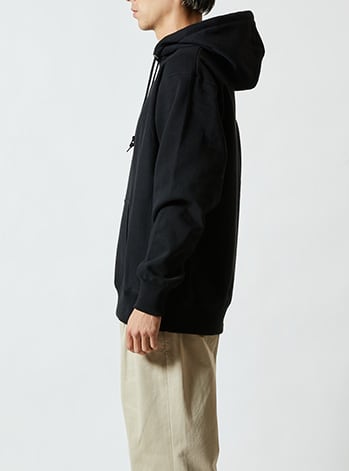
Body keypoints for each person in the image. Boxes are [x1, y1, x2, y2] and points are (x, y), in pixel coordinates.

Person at [114, 1, 264, 469]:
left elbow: (185, 197)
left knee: (171, 460)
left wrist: (152, 296)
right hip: (165, 310)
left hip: (167, 315)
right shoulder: (183, 64)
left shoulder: (190, 70)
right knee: (165, 457)